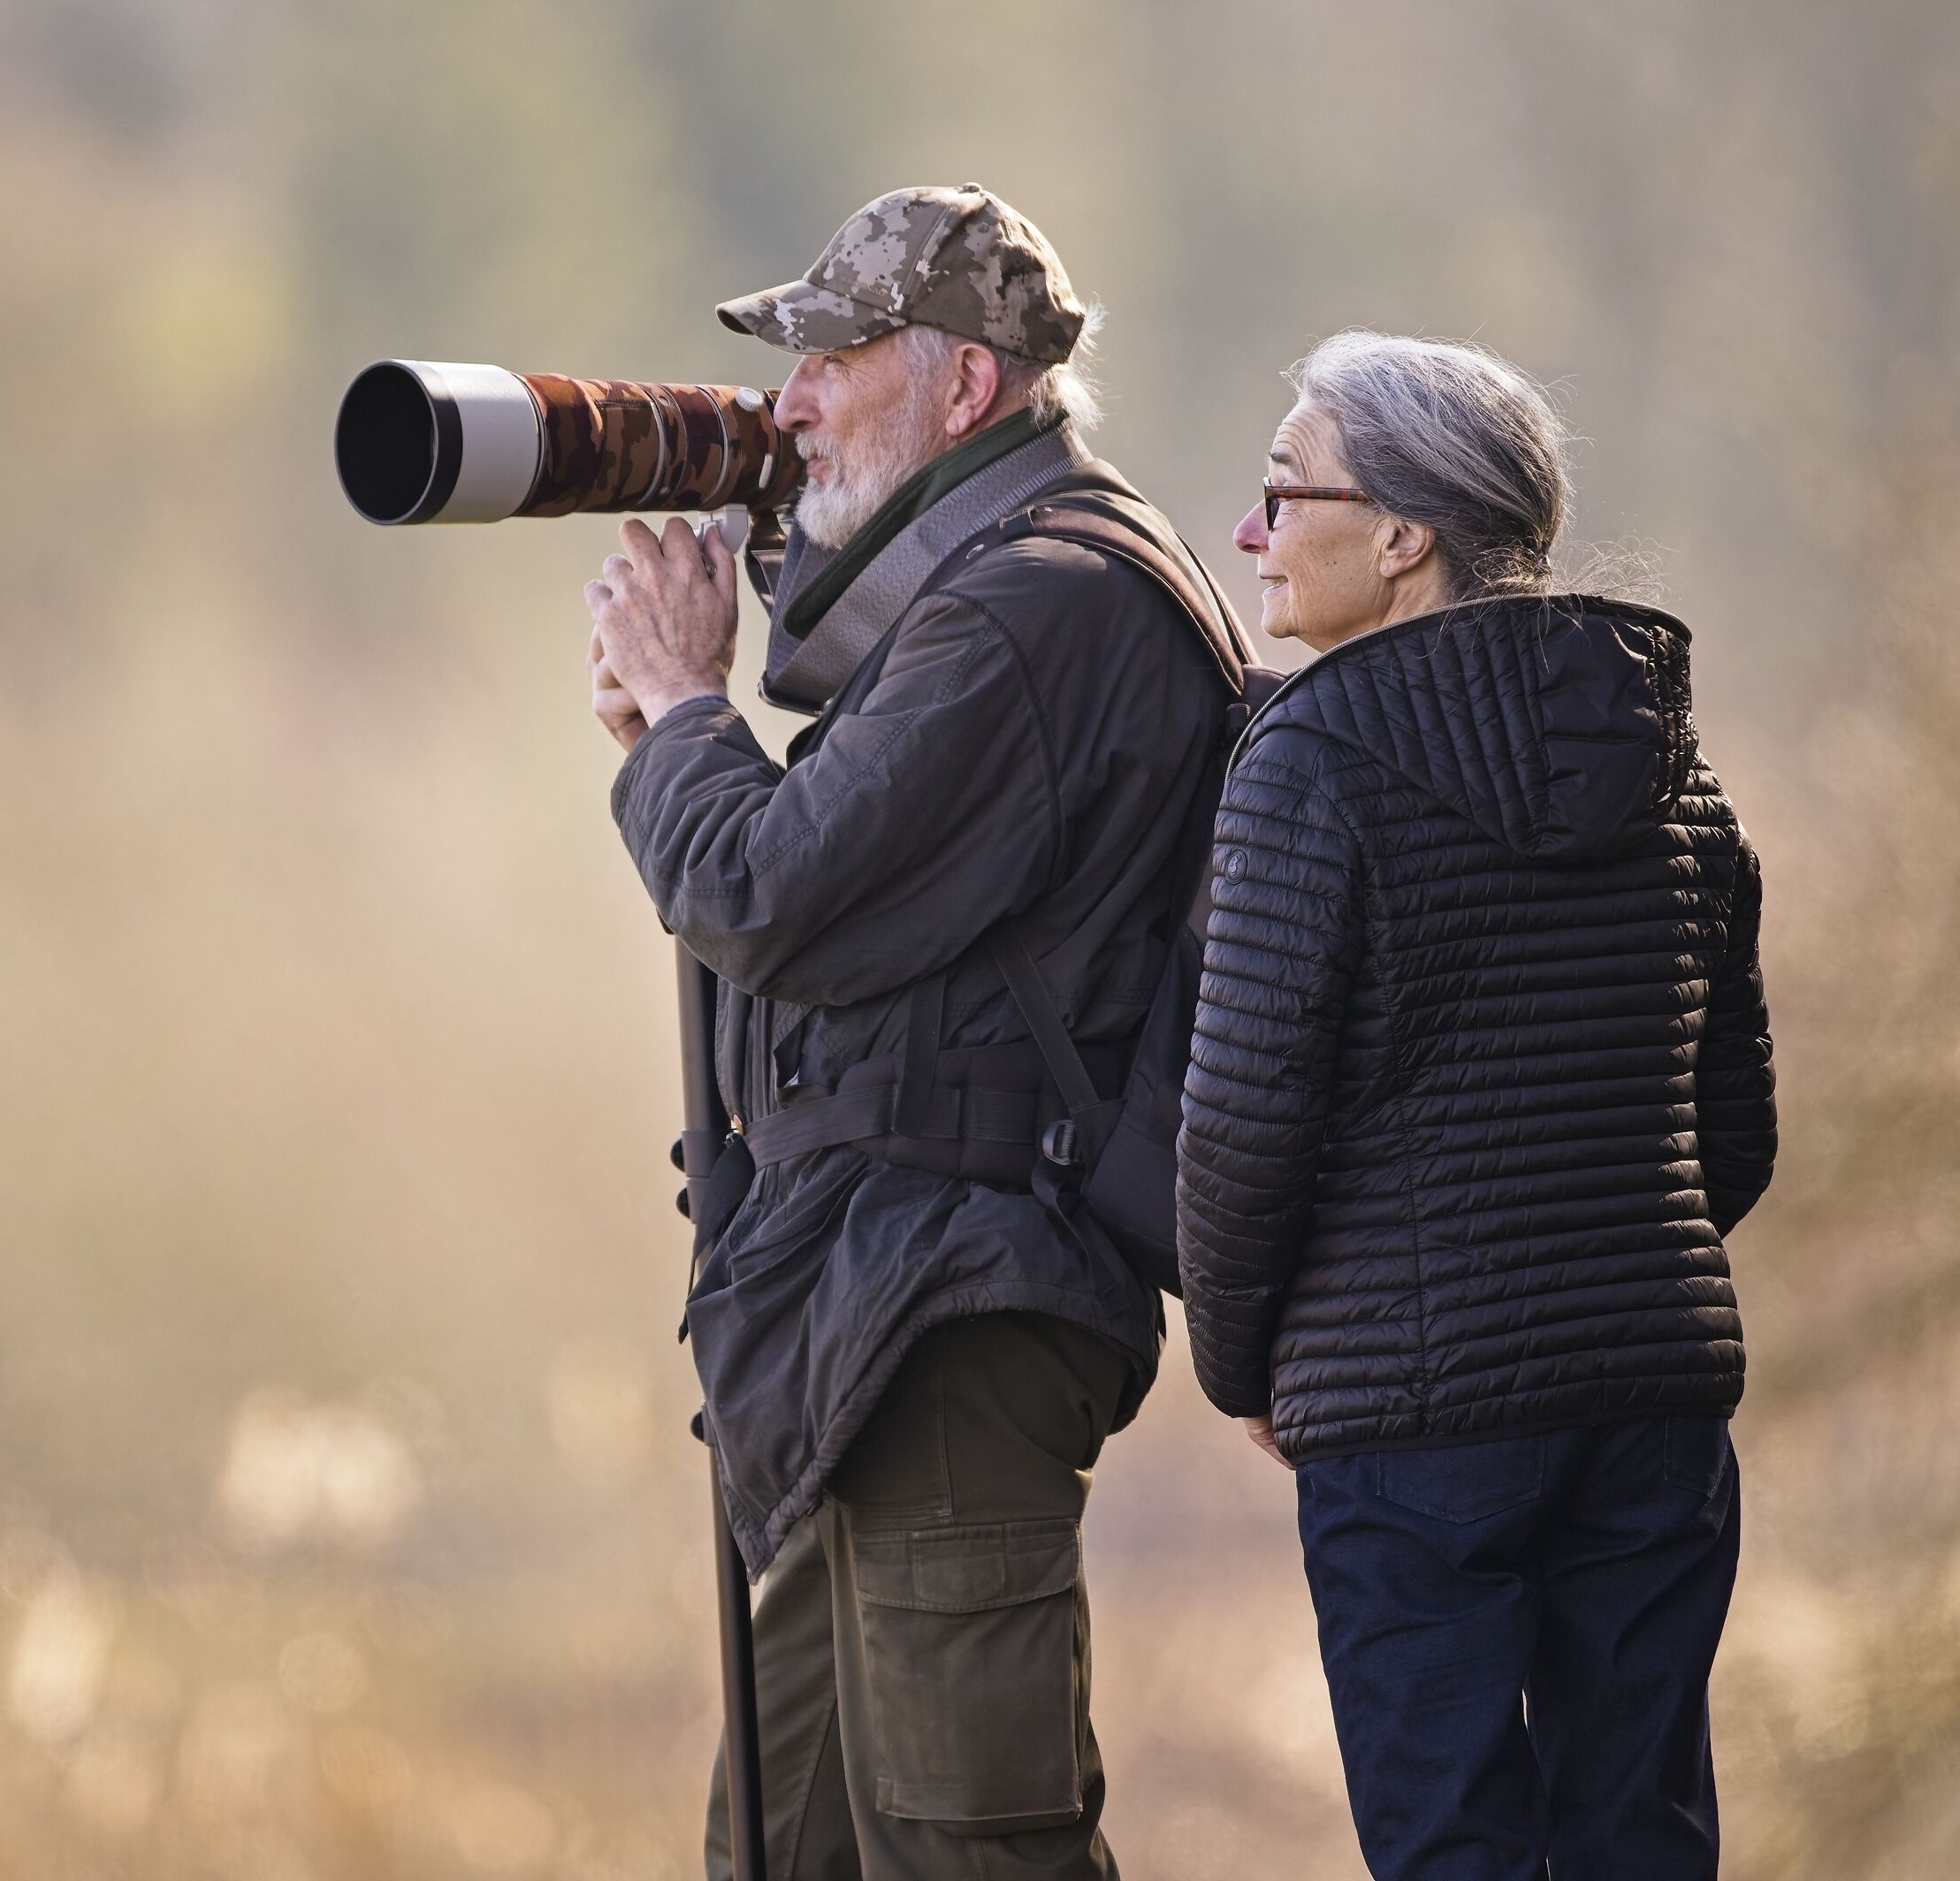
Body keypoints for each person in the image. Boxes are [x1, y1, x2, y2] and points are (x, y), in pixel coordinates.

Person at [584, 185, 1236, 1879]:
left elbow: (769, 891)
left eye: (831, 354)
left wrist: (676, 715)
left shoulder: (1045, 604)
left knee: (968, 1846)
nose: (786, 406)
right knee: (788, 1853)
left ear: (966, 389)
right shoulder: (1000, 594)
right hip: (863, 1307)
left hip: (952, 1301)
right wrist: (690, 720)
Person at [1176, 331, 1777, 1881]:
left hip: (1410, 1421)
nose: (1249, 532)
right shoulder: (1673, 765)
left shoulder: (1306, 762)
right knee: (1641, 1843)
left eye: (1278, 491)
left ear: (1401, 536)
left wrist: (1246, 1361)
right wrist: (1604, 1256)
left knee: (1453, 1848)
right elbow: (1735, 1135)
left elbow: (1244, 1124)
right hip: (1651, 1402)